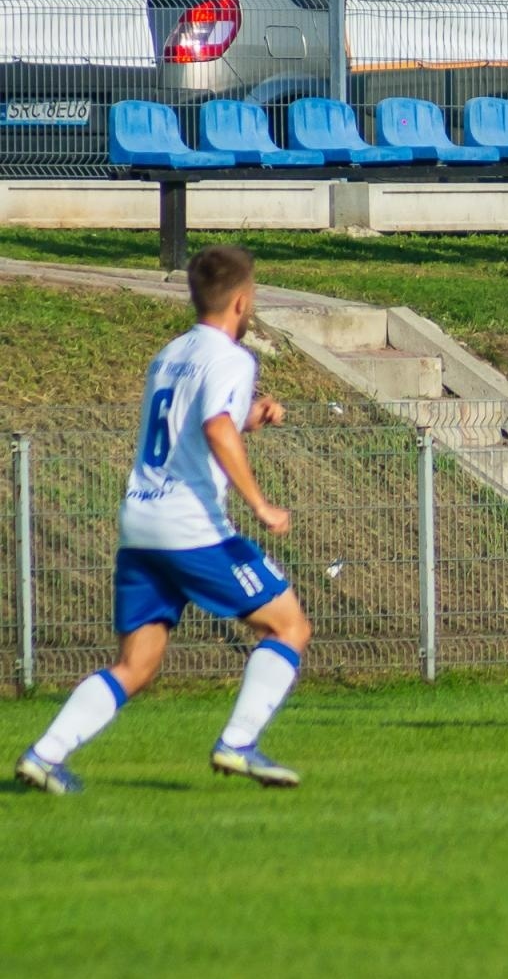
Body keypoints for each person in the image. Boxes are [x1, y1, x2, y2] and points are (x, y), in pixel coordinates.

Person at [15, 245, 314, 793]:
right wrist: (261, 504)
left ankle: (44, 753)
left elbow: (191, 423)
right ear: (243, 302)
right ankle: (238, 743)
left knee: (137, 663)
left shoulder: (170, 353)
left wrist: (250, 415)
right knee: (288, 625)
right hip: (191, 528)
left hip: (141, 523)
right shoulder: (232, 358)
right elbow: (214, 428)